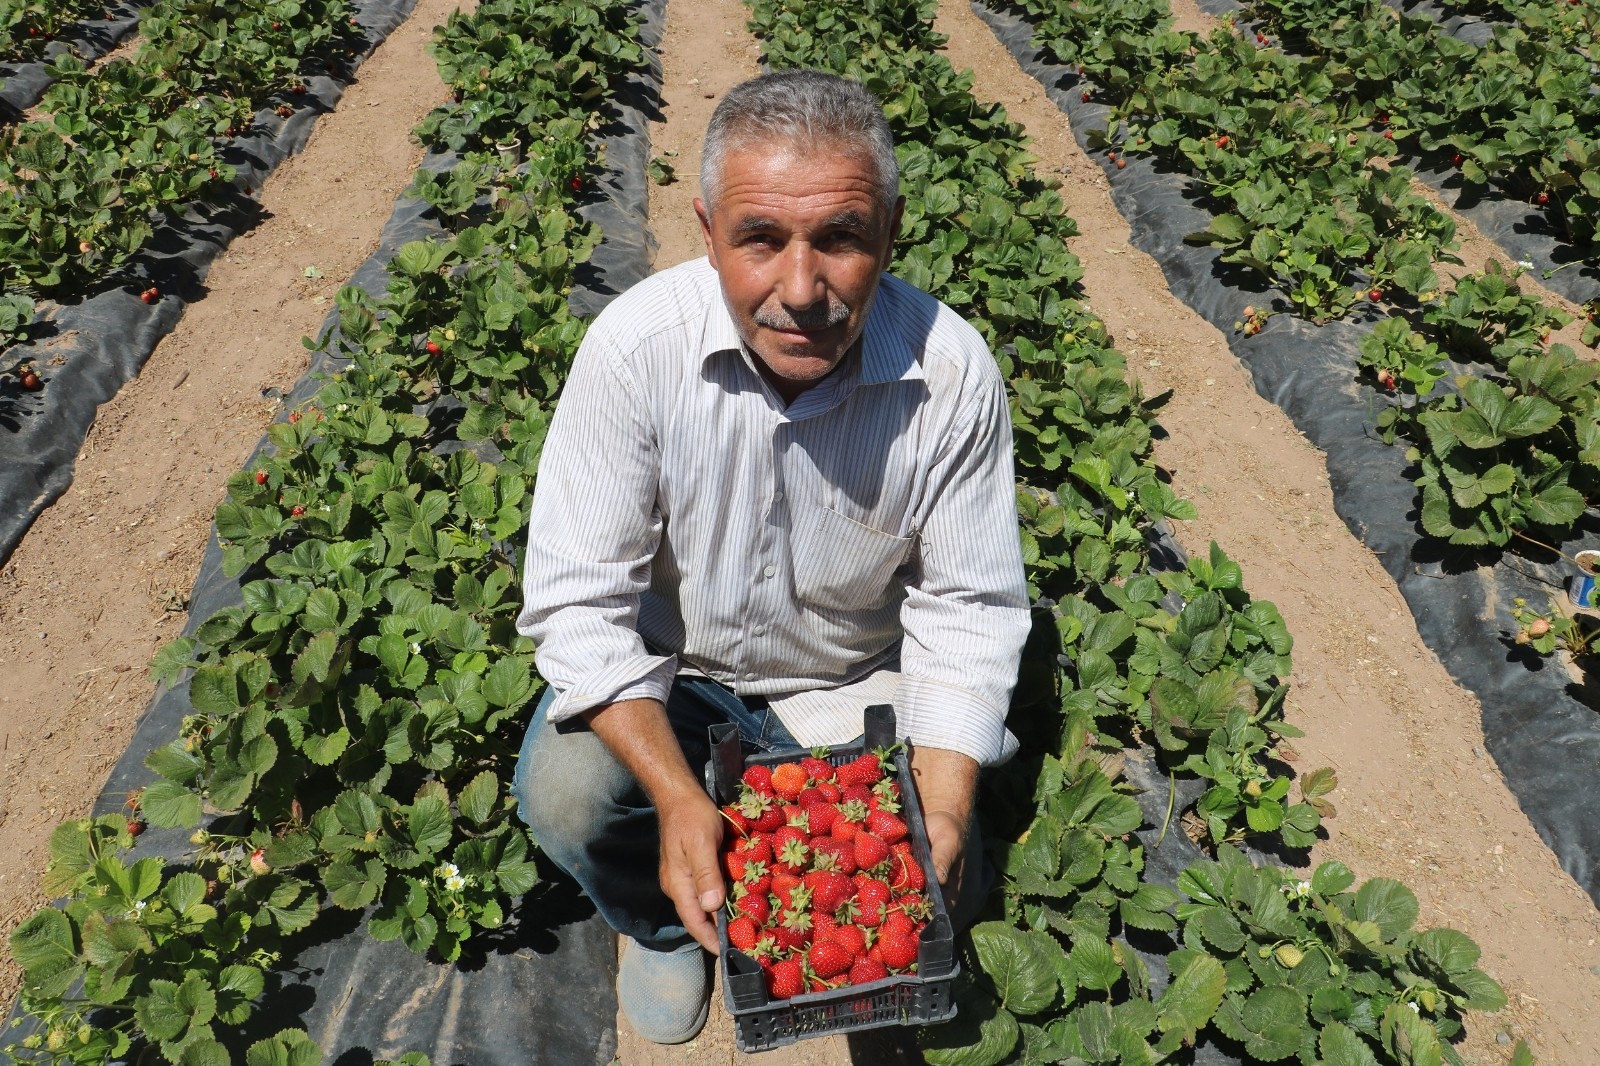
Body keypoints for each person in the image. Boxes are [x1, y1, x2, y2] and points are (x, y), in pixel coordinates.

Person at [510, 68, 1030, 1045]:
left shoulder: (949, 378)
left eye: (839, 236)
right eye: (761, 240)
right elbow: (578, 609)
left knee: (936, 871)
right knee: (567, 790)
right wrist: (672, 797)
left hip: (852, 680)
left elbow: (967, 611)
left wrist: (946, 798)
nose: (802, 289)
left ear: (891, 230)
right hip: (677, 676)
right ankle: (662, 923)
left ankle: (825, 893)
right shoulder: (634, 354)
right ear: (708, 233)